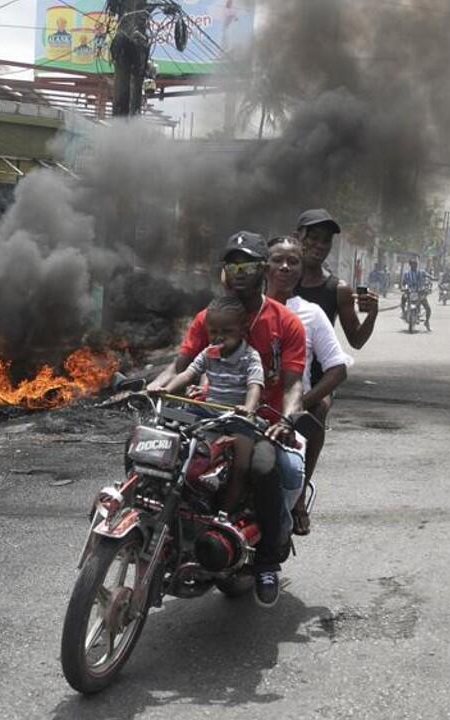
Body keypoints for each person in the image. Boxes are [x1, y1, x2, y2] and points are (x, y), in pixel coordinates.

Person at [148, 231, 307, 607]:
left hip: (258, 420)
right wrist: (152, 388)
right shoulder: (210, 318)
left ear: (263, 269)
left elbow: (293, 384)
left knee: (265, 467)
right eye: (232, 264)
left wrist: (286, 419)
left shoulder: (286, 323)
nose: (240, 272)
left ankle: (268, 561)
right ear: (224, 271)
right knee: (158, 450)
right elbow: (180, 365)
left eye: (248, 264)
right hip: (208, 413)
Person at [266, 235, 352, 536]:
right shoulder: (245, 308)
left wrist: (301, 403)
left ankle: (298, 498)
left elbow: (338, 369)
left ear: (301, 270)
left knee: (319, 411)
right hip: (246, 406)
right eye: (277, 260)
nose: (285, 267)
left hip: (287, 409)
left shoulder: (310, 314)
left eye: (293, 262)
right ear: (265, 266)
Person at [161, 295, 264, 516]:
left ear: (242, 330)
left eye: (227, 332)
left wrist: (248, 408)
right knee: (173, 436)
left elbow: (255, 385)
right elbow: (188, 374)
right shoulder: (208, 352)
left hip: (237, 417)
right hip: (207, 412)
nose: (219, 337)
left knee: (242, 465)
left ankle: (225, 512)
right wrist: (166, 390)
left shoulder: (250, 357)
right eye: (214, 331)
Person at [294, 209, 379, 352]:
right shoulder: (278, 281)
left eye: (326, 240)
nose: (320, 245)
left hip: (321, 373)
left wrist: (372, 313)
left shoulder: (339, 290)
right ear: (297, 238)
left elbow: (356, 341)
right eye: (313, 238)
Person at [400, 258, 431, 330]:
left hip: (420, 292)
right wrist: (404, 288)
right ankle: (403, 312)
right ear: (410, 265)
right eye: (413, 265)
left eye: (416, 265)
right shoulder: (407, 274)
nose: (414, 266)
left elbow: (427, 275)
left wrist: (432, 278)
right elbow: (404, 283)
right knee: (403, 298)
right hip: (410, 292)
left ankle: (427, 322)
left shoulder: (421, 272)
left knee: (428, 308)